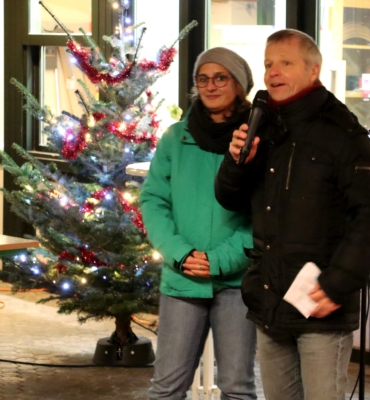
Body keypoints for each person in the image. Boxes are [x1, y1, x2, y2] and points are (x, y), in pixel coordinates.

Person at [215, 29, 370, 400]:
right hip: (269, 299)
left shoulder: (343, 133)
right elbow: (229, 199)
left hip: (318, 303)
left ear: (314, 71)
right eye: (267, 64)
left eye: (285, 63)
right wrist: (236, 164)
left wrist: (336, 284)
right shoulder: (262, 125)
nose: (272, 72)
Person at [141, 47, 257, 400]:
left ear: (238, 84)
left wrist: (220, 260)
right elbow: (153, 201)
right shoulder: (176, 138)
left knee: (237, 387)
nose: (210, 86)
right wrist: (180, 253)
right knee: (166, 388)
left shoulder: (256, 141)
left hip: (237, 281)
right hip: (182, 278)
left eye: (220, 77)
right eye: (203, 79)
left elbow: (263, 213)